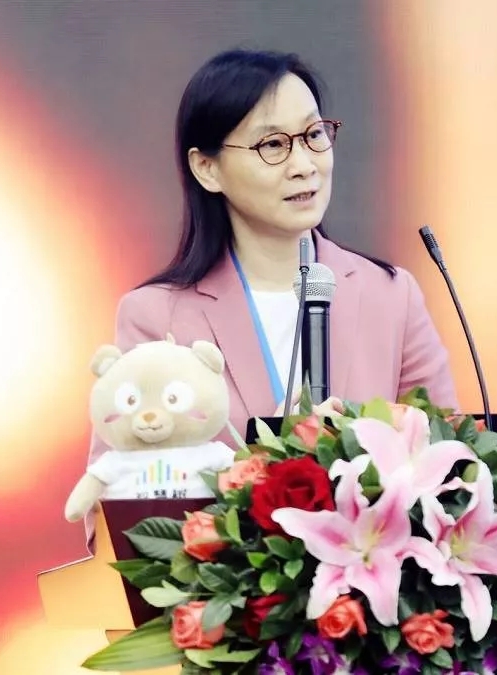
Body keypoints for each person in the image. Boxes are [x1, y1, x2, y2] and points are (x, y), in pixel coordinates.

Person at [82, 49, 458, 548]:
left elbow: (453, 462)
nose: (304, 165)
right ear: (207, 168)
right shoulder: (157, 317)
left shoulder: (390, 295)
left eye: (314, 135)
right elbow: (113, 514)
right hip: (230, 589)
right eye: (273, 145)